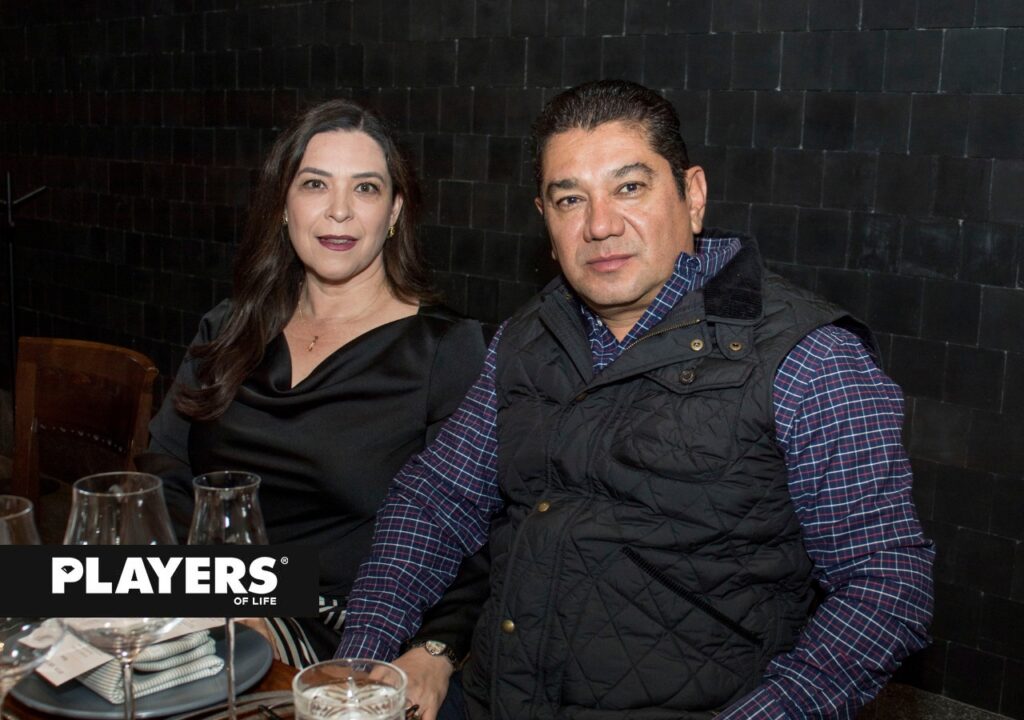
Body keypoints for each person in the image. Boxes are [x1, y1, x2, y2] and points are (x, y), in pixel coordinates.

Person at [336, 80, 935, 719]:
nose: (600, 225)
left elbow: (886, 584)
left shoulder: (809, 358)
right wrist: (357, 671)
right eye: (571, 199)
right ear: (545, 220)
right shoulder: (526, 337)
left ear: (692, 195)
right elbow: (437, 501)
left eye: (629, 187)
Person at [136, 99, 488, 718]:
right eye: (315, 184)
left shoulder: (445, 350)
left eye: (366, 188)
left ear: (394, 211)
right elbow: (165, 471)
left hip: (350, 634)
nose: (339, 210)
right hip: (213, 602)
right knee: (43, 615)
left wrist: (436, 649)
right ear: (283, 204)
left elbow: (475, 529)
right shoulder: (230, 327)